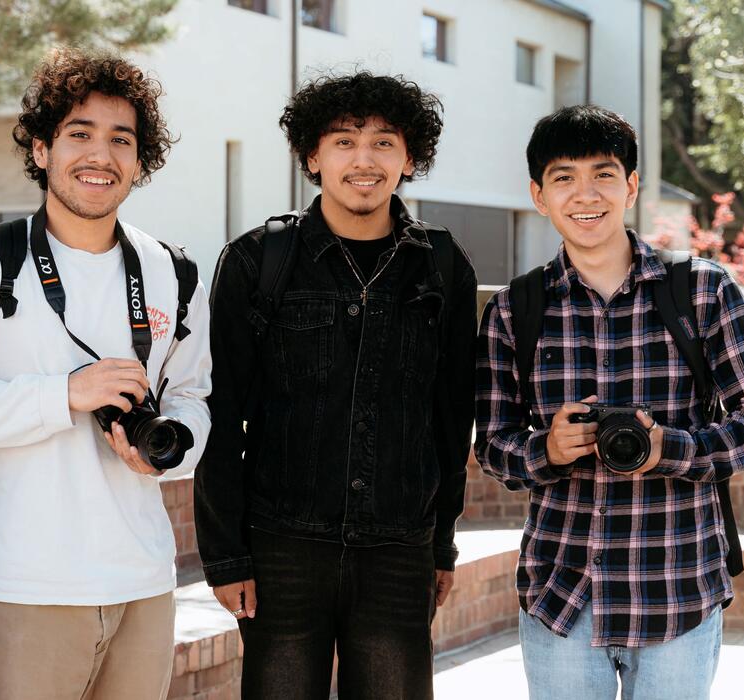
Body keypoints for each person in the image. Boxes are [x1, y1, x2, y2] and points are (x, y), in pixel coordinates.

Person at [475, 104, 744, 699]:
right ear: (539, 196)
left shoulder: (701, 289)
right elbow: (492, 444)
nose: (585, 193)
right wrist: (546, 448)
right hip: (562, 592)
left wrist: (669, 449)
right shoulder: (515, 310)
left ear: (632, 185)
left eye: (604, 173)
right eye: (563, 177)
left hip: (677, 587)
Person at [0, 47, 211, 700]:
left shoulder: (174, 270)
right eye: (78, 134)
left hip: (142, 581)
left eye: (121, 139)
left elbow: (196, 397)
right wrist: (65, 394)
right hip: (17, 585)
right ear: (40, 150)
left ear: (140, 161)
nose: (100, 155)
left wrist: (170, 455)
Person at [195, 72, 477, 700]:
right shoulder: (255, 261)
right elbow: (219, 415)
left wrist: (441, 544)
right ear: (313, 156)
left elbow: (452, 417)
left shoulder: (442, 264)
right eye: (344, 141)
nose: (364, 159)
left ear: (409, 159)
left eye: (383, 142)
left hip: (399, 550)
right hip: (281, 549)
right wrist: (227, 555)